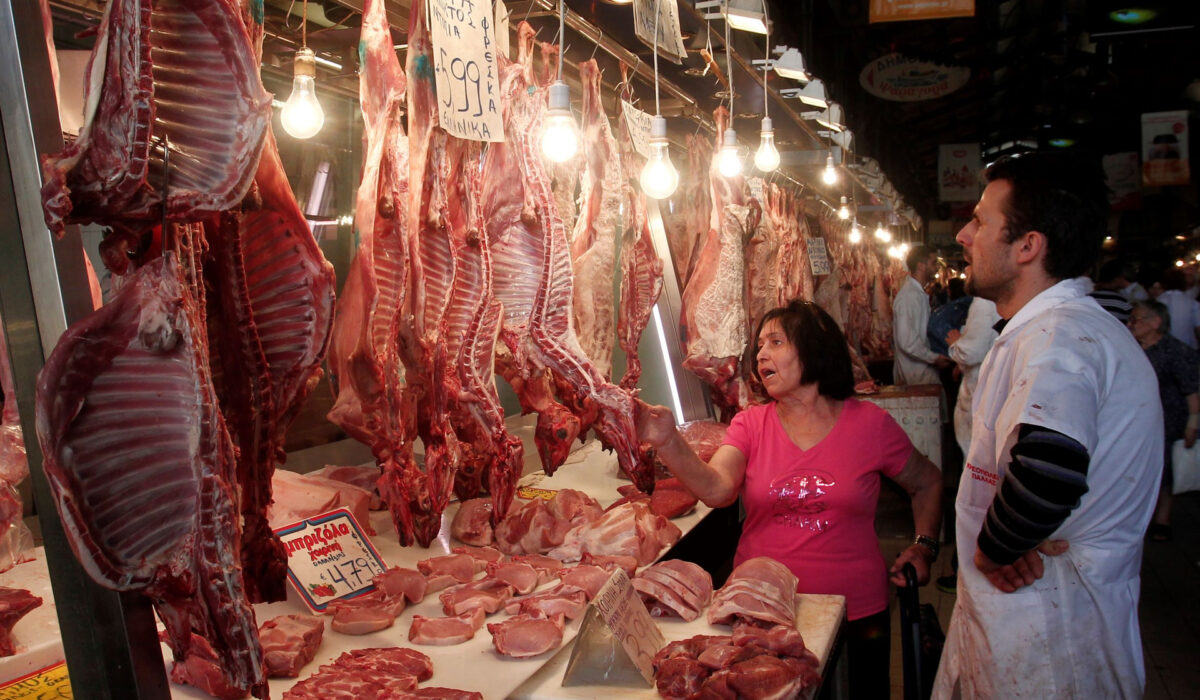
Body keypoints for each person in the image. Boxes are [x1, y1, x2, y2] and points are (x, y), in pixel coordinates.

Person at [933, 152, 1163, 699]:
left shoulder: (1059, 334)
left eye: (981, 221)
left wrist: (997, 546)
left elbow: (1048, 466)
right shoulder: (1050, 331)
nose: (964, 235)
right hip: (1037, 626)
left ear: (1028, 246)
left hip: (1053, 641)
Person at [637, 300, 942, 700]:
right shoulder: (751, 423)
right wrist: (667, 440)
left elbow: (928, 482)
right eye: (760, 345)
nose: (761, 353)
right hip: (759, 615)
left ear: (816, 349)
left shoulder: (870, 425)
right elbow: (717, 489)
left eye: (776, 341)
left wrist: (924, 546)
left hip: (857, 610)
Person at [1128, 300, 1199, 542]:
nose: (1132, 323)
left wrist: (1193, 423)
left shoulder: (1175, 351)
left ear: (1155, 322)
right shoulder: (1132, 346)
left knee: (1166, 471)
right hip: (1136, 418)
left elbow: (1192, 390)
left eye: (1137, 318)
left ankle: (1163, 518)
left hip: (1168, 419)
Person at [893, 245, 952, 385]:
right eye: (933, 263)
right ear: (921, 266)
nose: (936, 268)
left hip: (921, 373)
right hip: (914, 376)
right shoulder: (909, 296)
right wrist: (933, 358)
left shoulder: (917, 294)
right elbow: (906, 340)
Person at [1150, 268, 1200, 349]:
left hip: (1164, 348)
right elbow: (1198, 328)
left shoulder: (1158, 301)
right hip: (1188, 347)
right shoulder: (1192, 302)